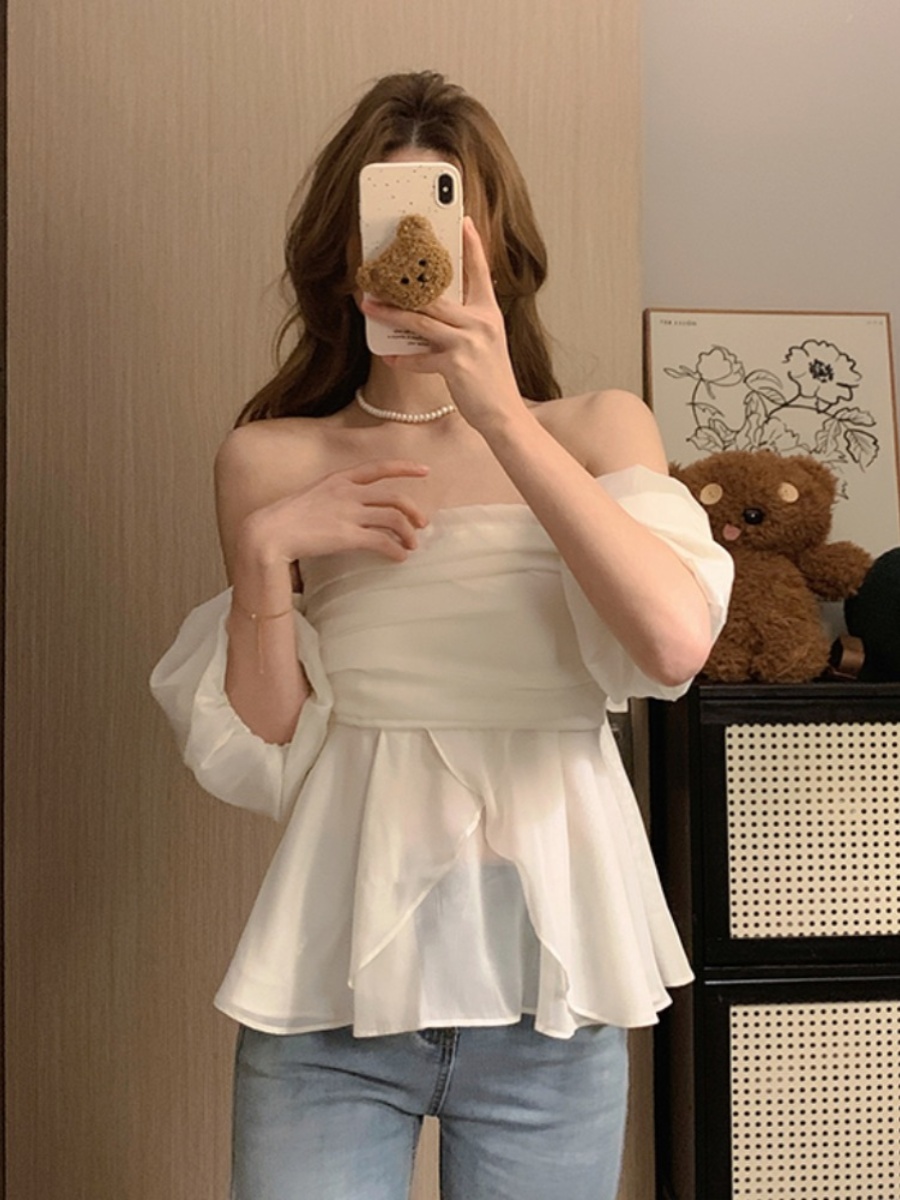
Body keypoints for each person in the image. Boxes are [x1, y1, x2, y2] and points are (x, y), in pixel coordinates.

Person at [151, 71, 733, 1200]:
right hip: (332, 995)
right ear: (343, 254)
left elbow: (672, 646)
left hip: (552, 994)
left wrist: (502, 416)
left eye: (442, 223)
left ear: (494, 247)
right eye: (386, 226)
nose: (412, 257)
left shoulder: (598, 428)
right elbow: (266, 748)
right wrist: (265, 559)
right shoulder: (272, 459)